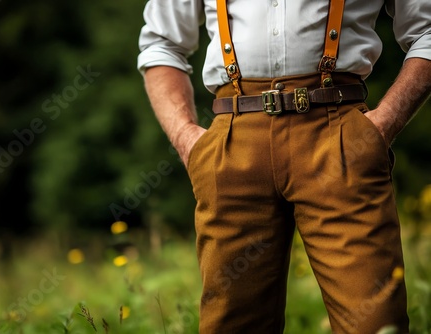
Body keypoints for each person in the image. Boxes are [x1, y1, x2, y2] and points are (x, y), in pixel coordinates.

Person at [137, 0, 431, 333]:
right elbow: (161, 43)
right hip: (233, 144)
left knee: (377, 323)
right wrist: (187, 140)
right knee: (232, 324)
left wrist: (383, 127)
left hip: (340, 138)